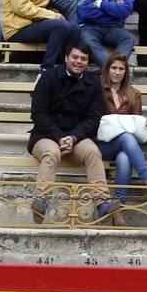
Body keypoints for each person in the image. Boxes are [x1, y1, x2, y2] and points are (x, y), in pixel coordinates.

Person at [29, 42, 107, 221]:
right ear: (66, 58)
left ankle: (102, 202)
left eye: (83, 59)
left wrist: (73, 137)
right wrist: (58, 137)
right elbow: (38, 113)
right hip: (46, 134)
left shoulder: (94, 84)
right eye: (75, 57)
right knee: (51, 152)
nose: (79, 62)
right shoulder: (48, 77)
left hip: (76, 136)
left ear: (88, 62)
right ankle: (40, 201)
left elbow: (93, 119)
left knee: (93, 152)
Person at [97, 51, 147, 212]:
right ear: (107, 69)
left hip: (124, 146)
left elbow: (137, 125)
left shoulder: (134, 93)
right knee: (125, 136)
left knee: (124, 158)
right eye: (114, 68)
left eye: (121, 69)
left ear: (126, 72)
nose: (117, 72)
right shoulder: (98, 90)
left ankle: (118, 208)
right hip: (101, 143)